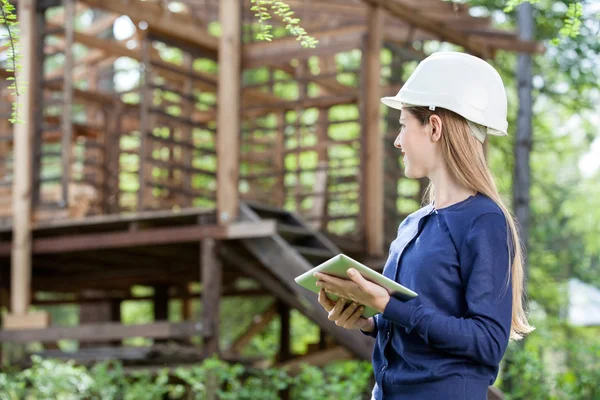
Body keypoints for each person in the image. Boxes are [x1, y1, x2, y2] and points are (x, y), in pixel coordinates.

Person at [313, 52, 535, 400]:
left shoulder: (484, 219)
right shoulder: (412, 224)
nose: (397, 140)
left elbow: (488, 342)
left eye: (403, 125)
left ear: (434, 127)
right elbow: (413, 321)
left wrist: (389, 306)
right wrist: (369, 319)